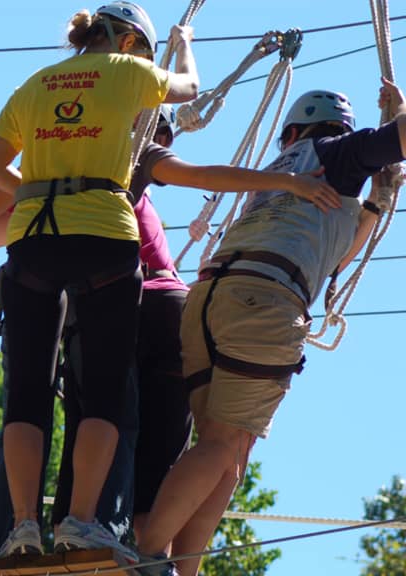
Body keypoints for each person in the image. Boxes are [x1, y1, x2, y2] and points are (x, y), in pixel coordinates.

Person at [0, 108, 339, 559]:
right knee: (150, 462)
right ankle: (148, 556)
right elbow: (199, 173)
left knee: (102, 425)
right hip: (169, 316)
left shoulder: (66, 182)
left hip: (120, 311)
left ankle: (80, 529)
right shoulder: (117, 178)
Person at [135, 79, 406, 576]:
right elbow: (399, 139)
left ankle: (178, 567)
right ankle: (145, 557)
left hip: (212, 298)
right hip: (263, 304)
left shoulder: (280, 172)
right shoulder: (339, 152)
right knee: (220, 445)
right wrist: (396, 119)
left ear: (290, 132)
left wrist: (376, 200)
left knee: (227, 452)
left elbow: (330, 251)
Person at [0, 0, 198, 561]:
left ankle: (22, 525)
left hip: (32, 238)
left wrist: (34, 187)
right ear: (128, 43)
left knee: (26, 394)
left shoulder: (36, 83)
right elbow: (189, 88)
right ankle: (80, 520)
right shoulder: (128, 71)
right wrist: (185, 43)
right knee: (104, 393)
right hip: (102, 234)